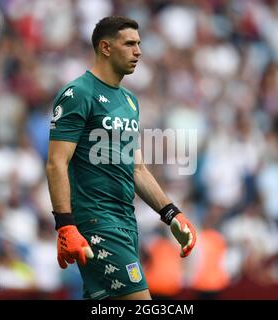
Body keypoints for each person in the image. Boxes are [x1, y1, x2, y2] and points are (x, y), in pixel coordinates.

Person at [45, 16, 197, 300]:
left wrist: (172, 213)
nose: (138, 51)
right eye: (129, 44)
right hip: (96, 222)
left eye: (138, 44)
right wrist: (65, 224)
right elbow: (56, 162)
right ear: (105, 47)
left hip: (126, 222)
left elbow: (137, 169)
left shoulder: (129, 101)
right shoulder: (78, 94)